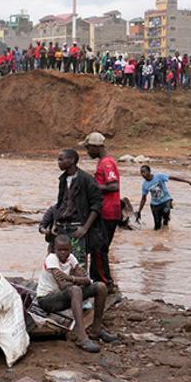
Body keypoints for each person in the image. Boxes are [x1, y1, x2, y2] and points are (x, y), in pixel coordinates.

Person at [36, 234, 116, 352]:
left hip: (64, 296)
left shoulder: (71, 258)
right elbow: (63, 286)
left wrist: (71, 279)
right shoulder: (51, 259)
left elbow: (87, 280)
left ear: (71, 249)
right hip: (47, 300)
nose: (63, 253)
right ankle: (81, 336)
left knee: (101, 287)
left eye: (66, 250)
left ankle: (96, 330)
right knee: (75, 290)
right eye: (60, 250)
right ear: (54, 249)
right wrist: (76, 280)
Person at [52, 149, 109, 286]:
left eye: (61, 159)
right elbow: (60, 203)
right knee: (60, 260)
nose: (58, 162)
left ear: (71, 160)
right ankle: (65, 292)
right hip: (63, 226)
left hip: (77, 226)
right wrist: (54, 223)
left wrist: (85, 228)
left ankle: (82, 294)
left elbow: (96, 205)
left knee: (78, 261)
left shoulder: (86, 180)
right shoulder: (63, 179)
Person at [81, 133, 119, 288]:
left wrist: (92, 186)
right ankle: (98, 280)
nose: (87, 151)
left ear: (96, 147)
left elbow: (113, 186)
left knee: (99, 249)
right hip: (106, 210)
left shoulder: (107, 163)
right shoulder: (103, 163)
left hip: (107, 211)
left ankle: (104, 282)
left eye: (88, 148)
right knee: (98, 248)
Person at [135, 166, 191, 230]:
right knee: (157, 228)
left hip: (166, 200)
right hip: (155, 205)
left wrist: (188, 181)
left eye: (144, 172)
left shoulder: (159, 176)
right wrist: (139, 211)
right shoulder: (145, 184)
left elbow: (173, 178)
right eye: (141, 172)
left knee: (166, 212)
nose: (142, 174)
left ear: (149, 171)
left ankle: (166, 226)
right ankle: (162, 237)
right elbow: (143, 198)